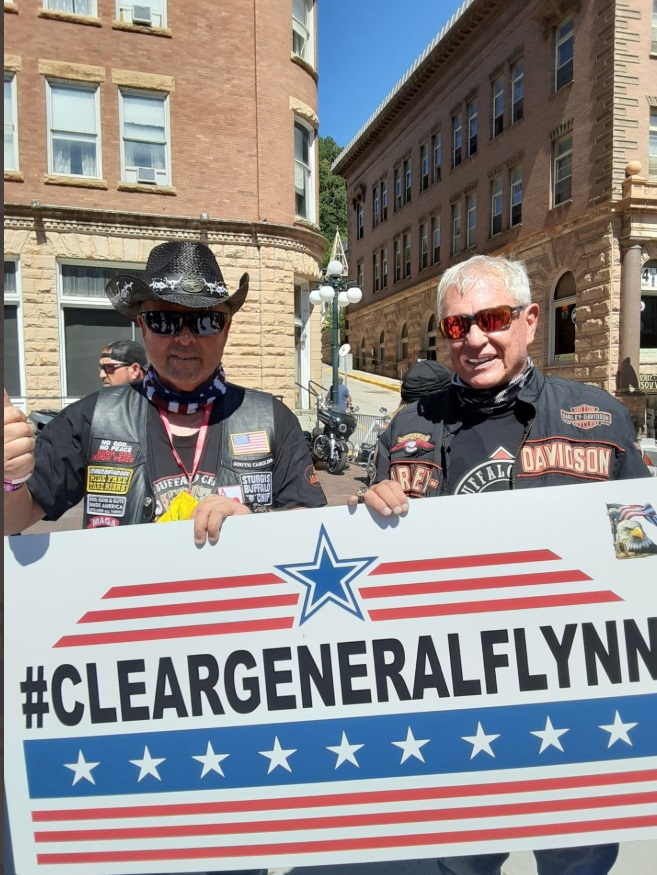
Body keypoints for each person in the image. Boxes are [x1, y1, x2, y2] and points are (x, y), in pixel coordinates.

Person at [350, 254, 650, 875]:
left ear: (529, 320)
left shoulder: (599, 418)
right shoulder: (409, 427)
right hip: (458, 712)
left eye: (492, 319)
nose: (477, 339)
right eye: (458, 326)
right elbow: (376, 573)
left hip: (575, 712)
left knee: (577, 865)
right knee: (462, 864)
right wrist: (365, 514)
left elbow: (641, 558)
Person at [4, 240, 327, 551]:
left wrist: (254, 522)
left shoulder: (272, 418)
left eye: (205, 322)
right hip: (125, 603)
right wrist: (10, 480)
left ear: (226, 330)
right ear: (143, 328)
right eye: (165, 320)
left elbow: (314, 525)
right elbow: (16, 516)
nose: (185, 339)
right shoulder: (92, 418)